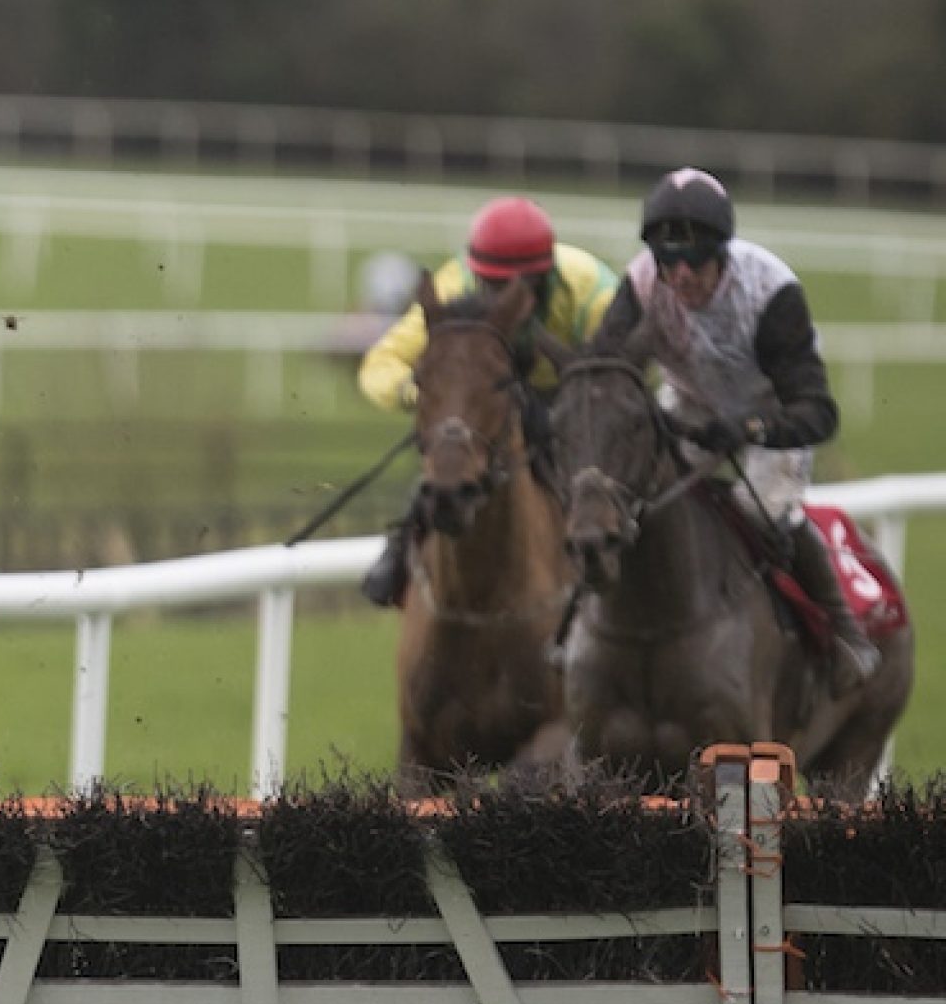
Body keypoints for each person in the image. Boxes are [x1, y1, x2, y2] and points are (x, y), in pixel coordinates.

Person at [591, 166, 879, 693]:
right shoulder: (641, 283)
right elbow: (604, 367)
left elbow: (818, 412)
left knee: (765, 513)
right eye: (668, 259)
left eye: (695, 259)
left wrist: (748, 427)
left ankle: (844, 630)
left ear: (724, 251)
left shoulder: (770, 292)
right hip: (688, 403)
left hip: (770, 414)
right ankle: (580, 624)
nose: (680, 275)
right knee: (627, 497)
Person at [356, 196, 619, 606]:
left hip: (574, 395)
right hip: (488, 406)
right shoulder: (453, 285)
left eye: (516, 288)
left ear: (543, 277)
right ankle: (404, 541)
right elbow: (381, 363)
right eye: (492, 286)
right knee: (449, 453)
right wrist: (419, 394)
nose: (502, 299)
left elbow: (622, 378)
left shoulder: (592, 293)